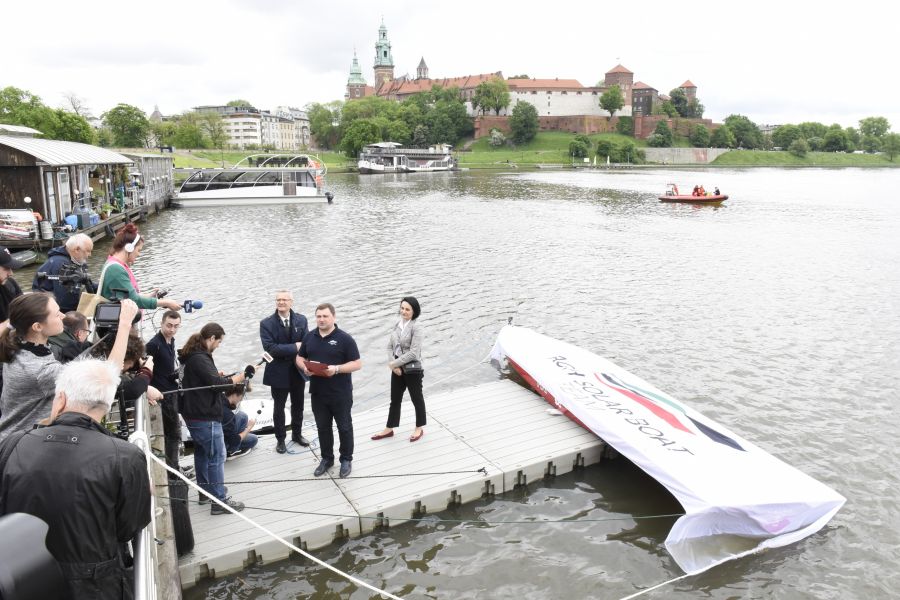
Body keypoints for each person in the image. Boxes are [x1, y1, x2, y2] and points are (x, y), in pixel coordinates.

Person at [0, 358, 152, 600]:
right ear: (106, 407)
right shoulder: (126, 456)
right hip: (94, 588)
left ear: (60, 398)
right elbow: (129, 527)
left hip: (21, 582)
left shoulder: (12, 443)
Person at [0, 294, 138, 443]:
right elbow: (110, 372)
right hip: (18, 445)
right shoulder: (39, 370)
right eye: (56, 314)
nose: (63, 316)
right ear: (37, 327)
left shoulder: (18, 342)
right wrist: (125, 325)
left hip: (15, 436)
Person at [179, 322, 253, 514]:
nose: (219, 345)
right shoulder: (200, 358)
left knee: (202, 453)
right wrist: (242, 376)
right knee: (217, 456)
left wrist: (215, 375)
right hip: (204, 416)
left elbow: (207, 379)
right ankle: (219, 501)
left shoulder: (192, 356)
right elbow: (218, 385)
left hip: (193, 414)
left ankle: (206, 492)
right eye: (219, 342)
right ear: (212, 338)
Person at [297, 303, 361, 479]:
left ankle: (346, 459)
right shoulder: (309, 337)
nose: (321, 319)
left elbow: (357, 364)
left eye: (325, 316)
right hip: (318, 393)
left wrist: (337, 369)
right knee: (323, 427)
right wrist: (304, 368)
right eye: (318, 316)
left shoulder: (345, 339)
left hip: (340, 393)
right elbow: (300, 357)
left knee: (344, 427)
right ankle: (327, 459)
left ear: (333, 317)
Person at [259, 290, 309, 454]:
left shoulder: (301, 320)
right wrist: (295, 346)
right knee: (279, 407)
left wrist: (298, 349)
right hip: (277, 372)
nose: (281, 302)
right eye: (278, 300)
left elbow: (306, 344)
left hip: (297, 370)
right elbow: (271, 349)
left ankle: (297, 434)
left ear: (291, 302)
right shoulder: (266, 323)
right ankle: (280, 440)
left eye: (284, 300)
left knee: (298, 405)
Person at [373, 296, 426, 442]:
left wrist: (395, 363)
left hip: (412, 369)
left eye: (407, 309)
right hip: (396, 369)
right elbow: (390, 346)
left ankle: (419, 427)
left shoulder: (417, 327)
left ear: (414, 311)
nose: (404, 311)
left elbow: (414, 353)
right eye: (402, 308)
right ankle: (389, 428)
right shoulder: (397, 324)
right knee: (395, 399)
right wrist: (393, 364)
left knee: (417, 398)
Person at [99, 223, 181, 312]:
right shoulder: (115, 269)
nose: (139, 254)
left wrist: (149, 296)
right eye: (138, 250)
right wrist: (166, 302)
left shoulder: (115, 264)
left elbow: (128, 295)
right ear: (129, 248)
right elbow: (134, 300)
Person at [146, 310, 183, 469]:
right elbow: (143, 367)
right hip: (161, 395)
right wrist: (147, 390)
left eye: (176, 326)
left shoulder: (171, 340)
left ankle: (175, 466)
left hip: (171, 390)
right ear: (161, 323)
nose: (172, 329)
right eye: (169, 325)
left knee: (175, 432)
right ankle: (173, 471)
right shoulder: (154, 344)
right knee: (173, 433)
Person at [31, 233, 96, 313]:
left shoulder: (75, 261)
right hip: (49, 308)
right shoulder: (62, 265)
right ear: (77, 249)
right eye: (88, 251)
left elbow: (87, 282)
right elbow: (65, 303)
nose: (90, 255)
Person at [221, 384, 257, 460]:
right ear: (234, 395)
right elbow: (234, 441)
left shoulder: (220, 397)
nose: (241, 400)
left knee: (242, 416)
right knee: (253, 439)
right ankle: (231, 452)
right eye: (241, 397)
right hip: (221, 445)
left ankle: (238, 437)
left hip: (216, 435)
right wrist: (249, 428)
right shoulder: (228, 415)